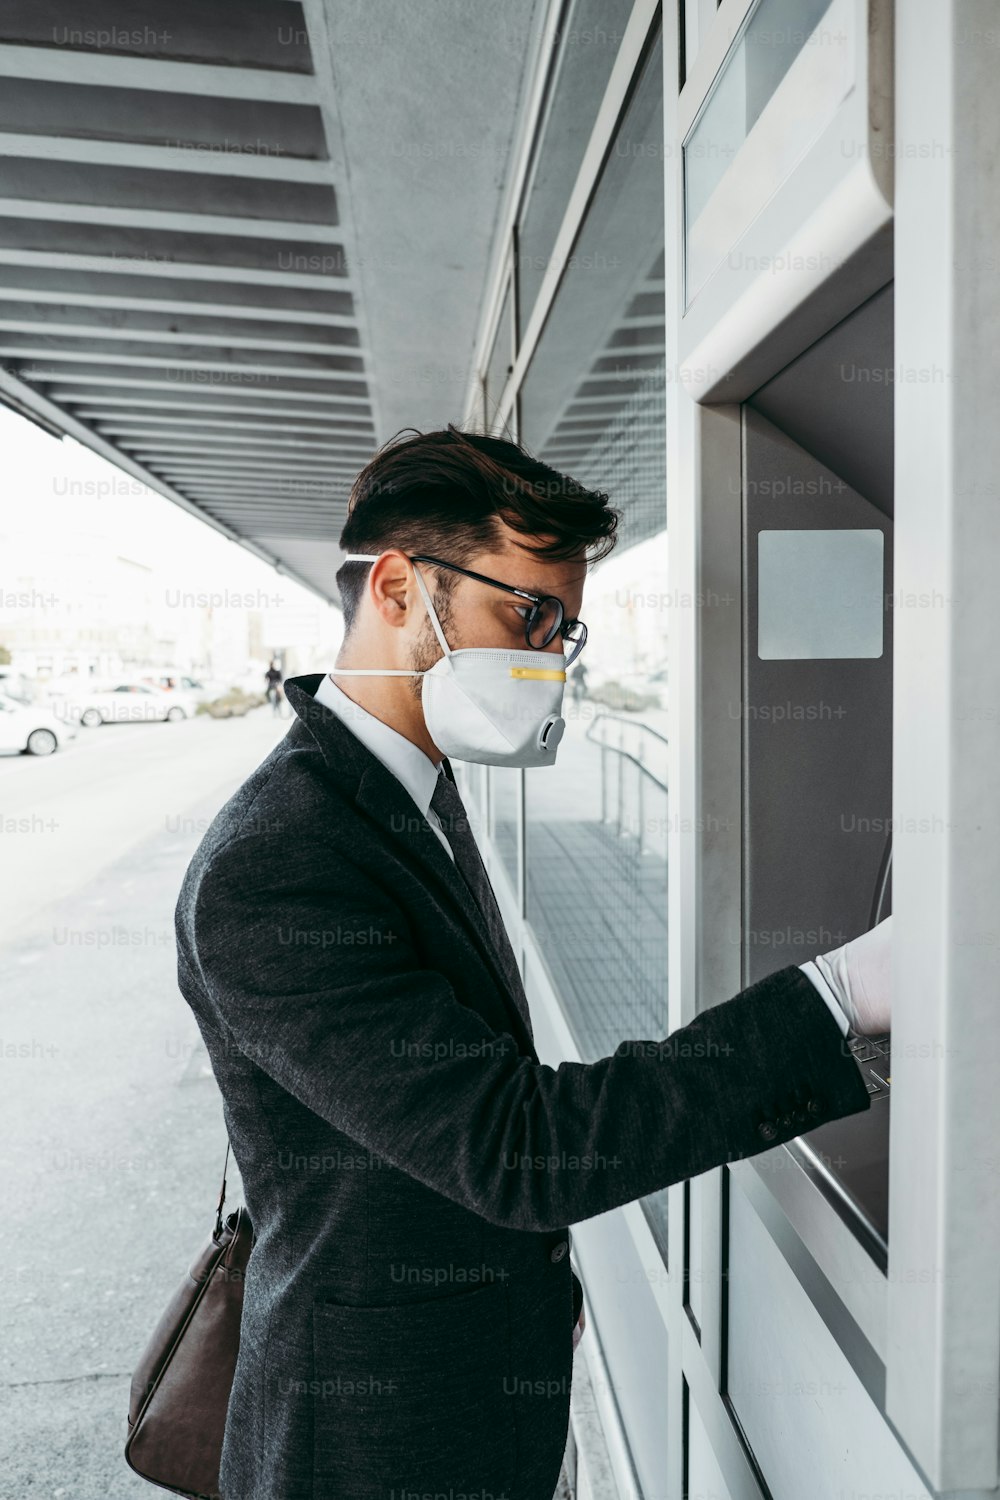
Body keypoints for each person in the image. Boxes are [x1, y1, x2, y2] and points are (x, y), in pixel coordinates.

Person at [174, 423, 890, 1500]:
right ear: (402, 585)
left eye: (566, 625)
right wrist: (839, 997)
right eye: (529, 612)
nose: (550, 654)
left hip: (475, 1390)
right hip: (374, 1441)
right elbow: (513, 1145)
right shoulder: (275, 864)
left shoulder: (411, 794)